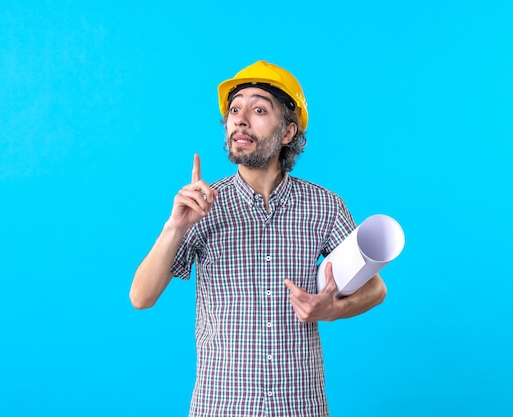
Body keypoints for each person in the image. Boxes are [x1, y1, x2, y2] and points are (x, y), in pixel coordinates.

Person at [130, 60, 387, 417]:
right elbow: (141, 297)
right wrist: (175, 226)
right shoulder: (200, 205)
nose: (240, 118)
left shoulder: (325, 206)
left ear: (287, 133)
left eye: (259, 109)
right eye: (235, 109)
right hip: (220, 405)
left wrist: (333, 309)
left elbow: (376, 289)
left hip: (300, 405)